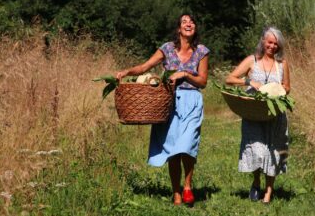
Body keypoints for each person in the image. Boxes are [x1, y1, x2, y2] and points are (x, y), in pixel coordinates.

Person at [115, 14, 209, 206]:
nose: (188, 24)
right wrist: (126, 72)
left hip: (192, 101)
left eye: (192, 22)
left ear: (195, 28)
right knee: (174, 150)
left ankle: (188, 186)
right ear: (178, 29)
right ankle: (176, 192)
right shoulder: (167, 49)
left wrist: (184, 74)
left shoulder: (201, 51)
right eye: (184, 22)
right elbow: (144, 67)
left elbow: (203, 81)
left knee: (188, 145)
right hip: (168, 102)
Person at [225, 26, 290, 204]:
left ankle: (268, 192)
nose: (272, 46)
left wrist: (279, 91)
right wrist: (248, 81)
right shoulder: (251, 61)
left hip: (275, 114)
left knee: (274, 151)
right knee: (256, 149)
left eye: (276, 44)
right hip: (253, 113)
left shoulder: (282, 63)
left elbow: (287, 86)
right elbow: (229, 79)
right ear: (263, 41)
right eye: (269, 42)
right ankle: (256, 181)